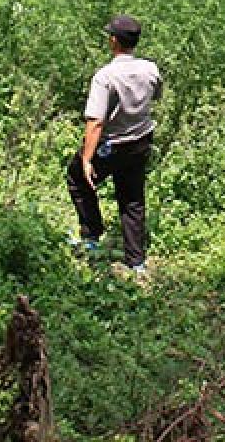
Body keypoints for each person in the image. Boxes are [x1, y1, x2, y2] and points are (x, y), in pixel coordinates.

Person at [65, 15, 162, 276]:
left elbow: (95, 122)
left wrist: (87, 158)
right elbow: (156, 96)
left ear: (113, 41)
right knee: (132, 199)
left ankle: (91, 238)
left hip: (112, 144)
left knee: (78, 179)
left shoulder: (105, 77)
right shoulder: (150, 69)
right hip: (140, 141)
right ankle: (136, 262)